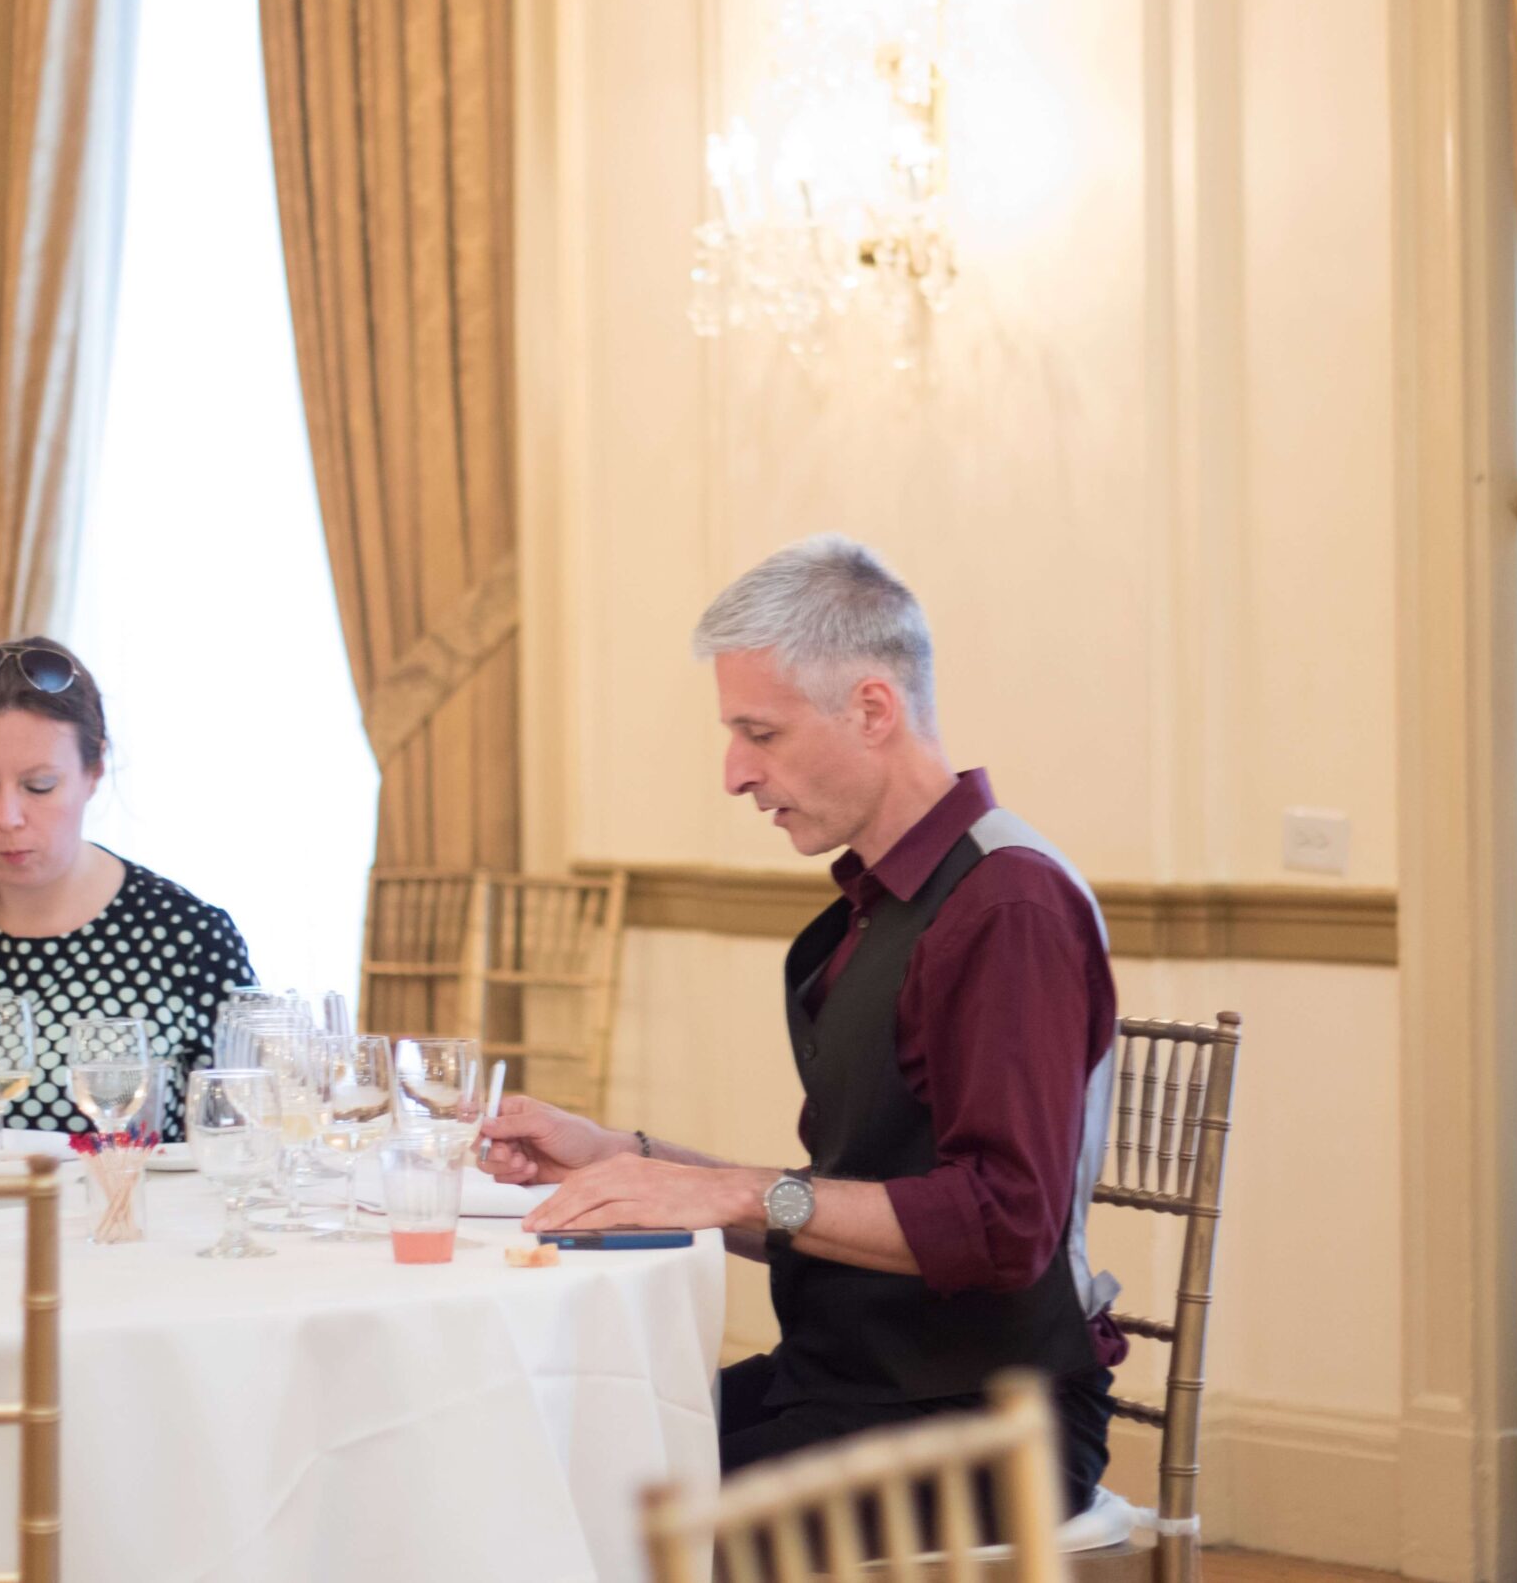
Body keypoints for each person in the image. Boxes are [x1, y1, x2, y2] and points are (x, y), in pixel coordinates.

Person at [480, 536, 1123, 1513]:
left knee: (596, 1524)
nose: (734, 773)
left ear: (872, 709)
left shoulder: (1006, 905)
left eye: (761, 733)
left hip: (988, 1424)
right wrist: (623, 1157)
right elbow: (838, 1203)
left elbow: (1004, 1226)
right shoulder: (884, 908)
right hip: (855, 1382)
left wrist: (729, 1193)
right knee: (541, 1463)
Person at [0, 637, 255, 1142]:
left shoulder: (189, 936)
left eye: (39, 786)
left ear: (93, 771)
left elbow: (245, 1142)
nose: (7, 817)